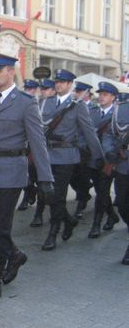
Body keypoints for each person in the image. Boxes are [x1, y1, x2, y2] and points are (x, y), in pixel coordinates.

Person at [0, 53, 54, 303]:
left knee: (0, 227)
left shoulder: (25, 103)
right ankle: (14, 254)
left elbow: (38, 142)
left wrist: (45, 178)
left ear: (10, 72)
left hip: (11, 172)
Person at [39, 69, 104, 251]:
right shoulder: (46, 103)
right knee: (47, 195)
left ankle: (53, 232)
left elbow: (89, 131)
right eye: (56, 81)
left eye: (62, 82)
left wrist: (98, 155)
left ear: (70, 85)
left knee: (57, 195)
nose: (58, 84)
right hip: (46, 156)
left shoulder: (78, 105)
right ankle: (69, 220)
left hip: (66, 157)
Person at [87, 82, 120, 238]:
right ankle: (112, 215)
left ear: (113, 97)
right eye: (100, 94)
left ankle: (96, 225)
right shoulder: (91, 111)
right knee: (101, 191)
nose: (101, 97)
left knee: (102, 191)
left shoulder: (118, 113)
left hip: (109, 160)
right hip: (93, 158)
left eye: (105, 94)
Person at [104, 96, 129, 263]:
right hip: (124, 164)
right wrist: (109, 150)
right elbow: (110, 133)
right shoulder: (122, 108)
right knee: (122, 204)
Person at [30, 78, 58, 228]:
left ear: (53, 91)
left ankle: (40, 214)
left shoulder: (58, 106)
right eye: (42, 89)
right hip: (36, 151)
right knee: (35, 181)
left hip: (54, 152)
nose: (42, 91)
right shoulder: (35, 103)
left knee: (45, 184)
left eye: (46, 89)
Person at [70, 81, 96, 218]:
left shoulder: (94, 109)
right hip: (73, 149)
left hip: (86, 151)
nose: (76, 94)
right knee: (72, 178)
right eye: (76, 91)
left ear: (87, 93)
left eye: (79, 92)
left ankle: (80, 205)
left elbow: (91, 131)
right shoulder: (72, 107)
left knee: (83, 176)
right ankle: (84, 193)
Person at [17, 79, 41, 212]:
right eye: (26, 88)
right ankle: (29, 192)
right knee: (25, 173)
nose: (28, 91)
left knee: (32, 174)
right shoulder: (22, 103)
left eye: (31, 89)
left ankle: (29, 194)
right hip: (23, 145)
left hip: (35, 146)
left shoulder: (40, 104)